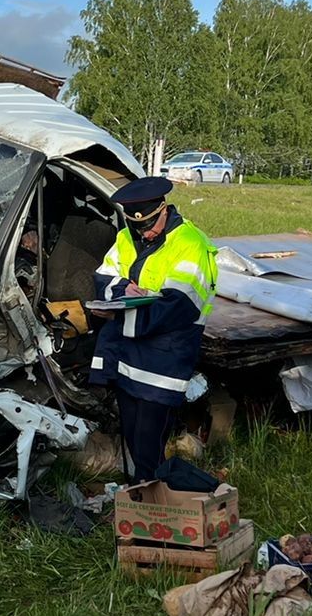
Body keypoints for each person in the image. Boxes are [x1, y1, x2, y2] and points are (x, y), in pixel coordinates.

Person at [89, 177, 218, 482]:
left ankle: (157, 501)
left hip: (163, 362)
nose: (145, 232)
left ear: (163, 209)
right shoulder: (127, 237)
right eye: (138, 227)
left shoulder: (190, 244)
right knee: (133, 436)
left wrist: (119, 314)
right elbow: (104, 277)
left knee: (150, 443)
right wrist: (124, 292)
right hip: (128, 358)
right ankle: (140, 496)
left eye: (149, 224)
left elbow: (179, 306)